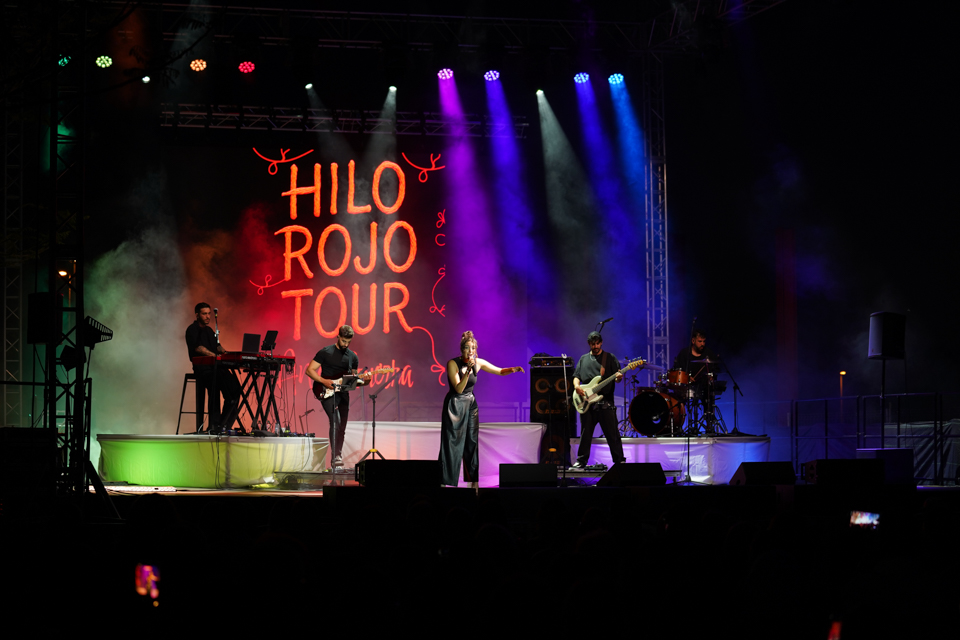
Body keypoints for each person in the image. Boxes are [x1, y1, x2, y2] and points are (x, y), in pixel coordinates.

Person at [440, 331, 524, 488]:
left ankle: (473, 485)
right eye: (467, 348)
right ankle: (445, 483)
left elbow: (499, 371)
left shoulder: (478, 363)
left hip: (470, 404)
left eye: (473, 348)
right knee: (452, 444)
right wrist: (468, 371)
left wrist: (513, 369)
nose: (470, 351)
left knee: (471, 443)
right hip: (455, 405)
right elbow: (459, 389)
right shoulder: (453, 364)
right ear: (462, 349)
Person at [305, 325, 372, 468]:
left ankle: (338, 455)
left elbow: (352, 381)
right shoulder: (325, 352)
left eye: (348, 342)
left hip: (343, 393)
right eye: (343, 341)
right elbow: (309, 370)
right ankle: (335, 457)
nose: (346, 344)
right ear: (338, 337)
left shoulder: (353, 357)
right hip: (326, 391)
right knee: (335, 420)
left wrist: (366, 382)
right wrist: (324, 381)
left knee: (342, 426)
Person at [571, 331, 625, 469]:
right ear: (589, 343)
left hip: (605, 403)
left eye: (597, 343)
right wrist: (577, 386)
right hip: (587, 403)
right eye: (592, 344)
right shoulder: (583, 359)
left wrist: (619, 378)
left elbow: (617, 378)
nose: (595, 346)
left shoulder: (609, 358)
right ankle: (581, 461)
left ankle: (620, 461)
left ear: (601, 343)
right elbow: (576, 376)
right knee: (585, 434)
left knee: (612, 434)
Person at [185, 302, 242, 433]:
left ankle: (224, 424)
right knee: (215, 387)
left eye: (209, 313)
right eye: (204, 314)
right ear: (197, 315)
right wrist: (215, 356)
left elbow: (218, 347)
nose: (208, 316)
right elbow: (198, 348)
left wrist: (228, 354)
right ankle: (214, 425)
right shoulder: (192, 330)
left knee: (236, 389)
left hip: (216, 367)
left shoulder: (210, 331)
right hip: (203, 369)